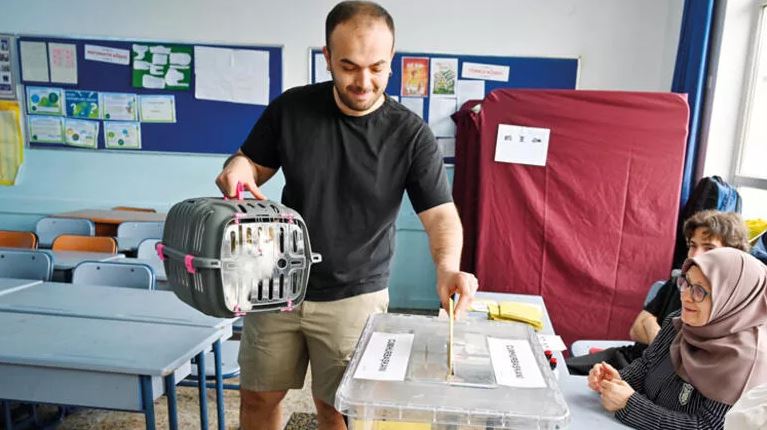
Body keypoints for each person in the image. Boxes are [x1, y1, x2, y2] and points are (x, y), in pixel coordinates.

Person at [214, 2, 478, 429]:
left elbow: (441, 216)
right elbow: (250, 163)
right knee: (258, 397)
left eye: (377, 68)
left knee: (338, 409)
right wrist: (238, 168)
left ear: (391, 60)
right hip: (276, 282)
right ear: (327, 57)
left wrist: (448, 267)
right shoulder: (292, 109)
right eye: (349, 67)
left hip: (355, 294)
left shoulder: (410, 135)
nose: (364, 82)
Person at [587, 247, 767, 429]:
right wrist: (617, 380)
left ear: (731, 299)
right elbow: (646, 365)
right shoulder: (681, 321)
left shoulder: (746, 362)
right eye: (686, 283)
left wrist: (629, 404)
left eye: (699, 291)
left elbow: (707, 426)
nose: (686, 296)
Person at [567, 210, 749, 375]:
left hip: (657, 377)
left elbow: (686, 359)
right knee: (559, 371)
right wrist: (664, 342)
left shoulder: (731, 306)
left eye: (709, 248)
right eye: (693, 245)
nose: (695, 255)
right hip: (627, 358)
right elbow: (636, 329)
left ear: (733, 255)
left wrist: (651, 326)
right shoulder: (677, 282)